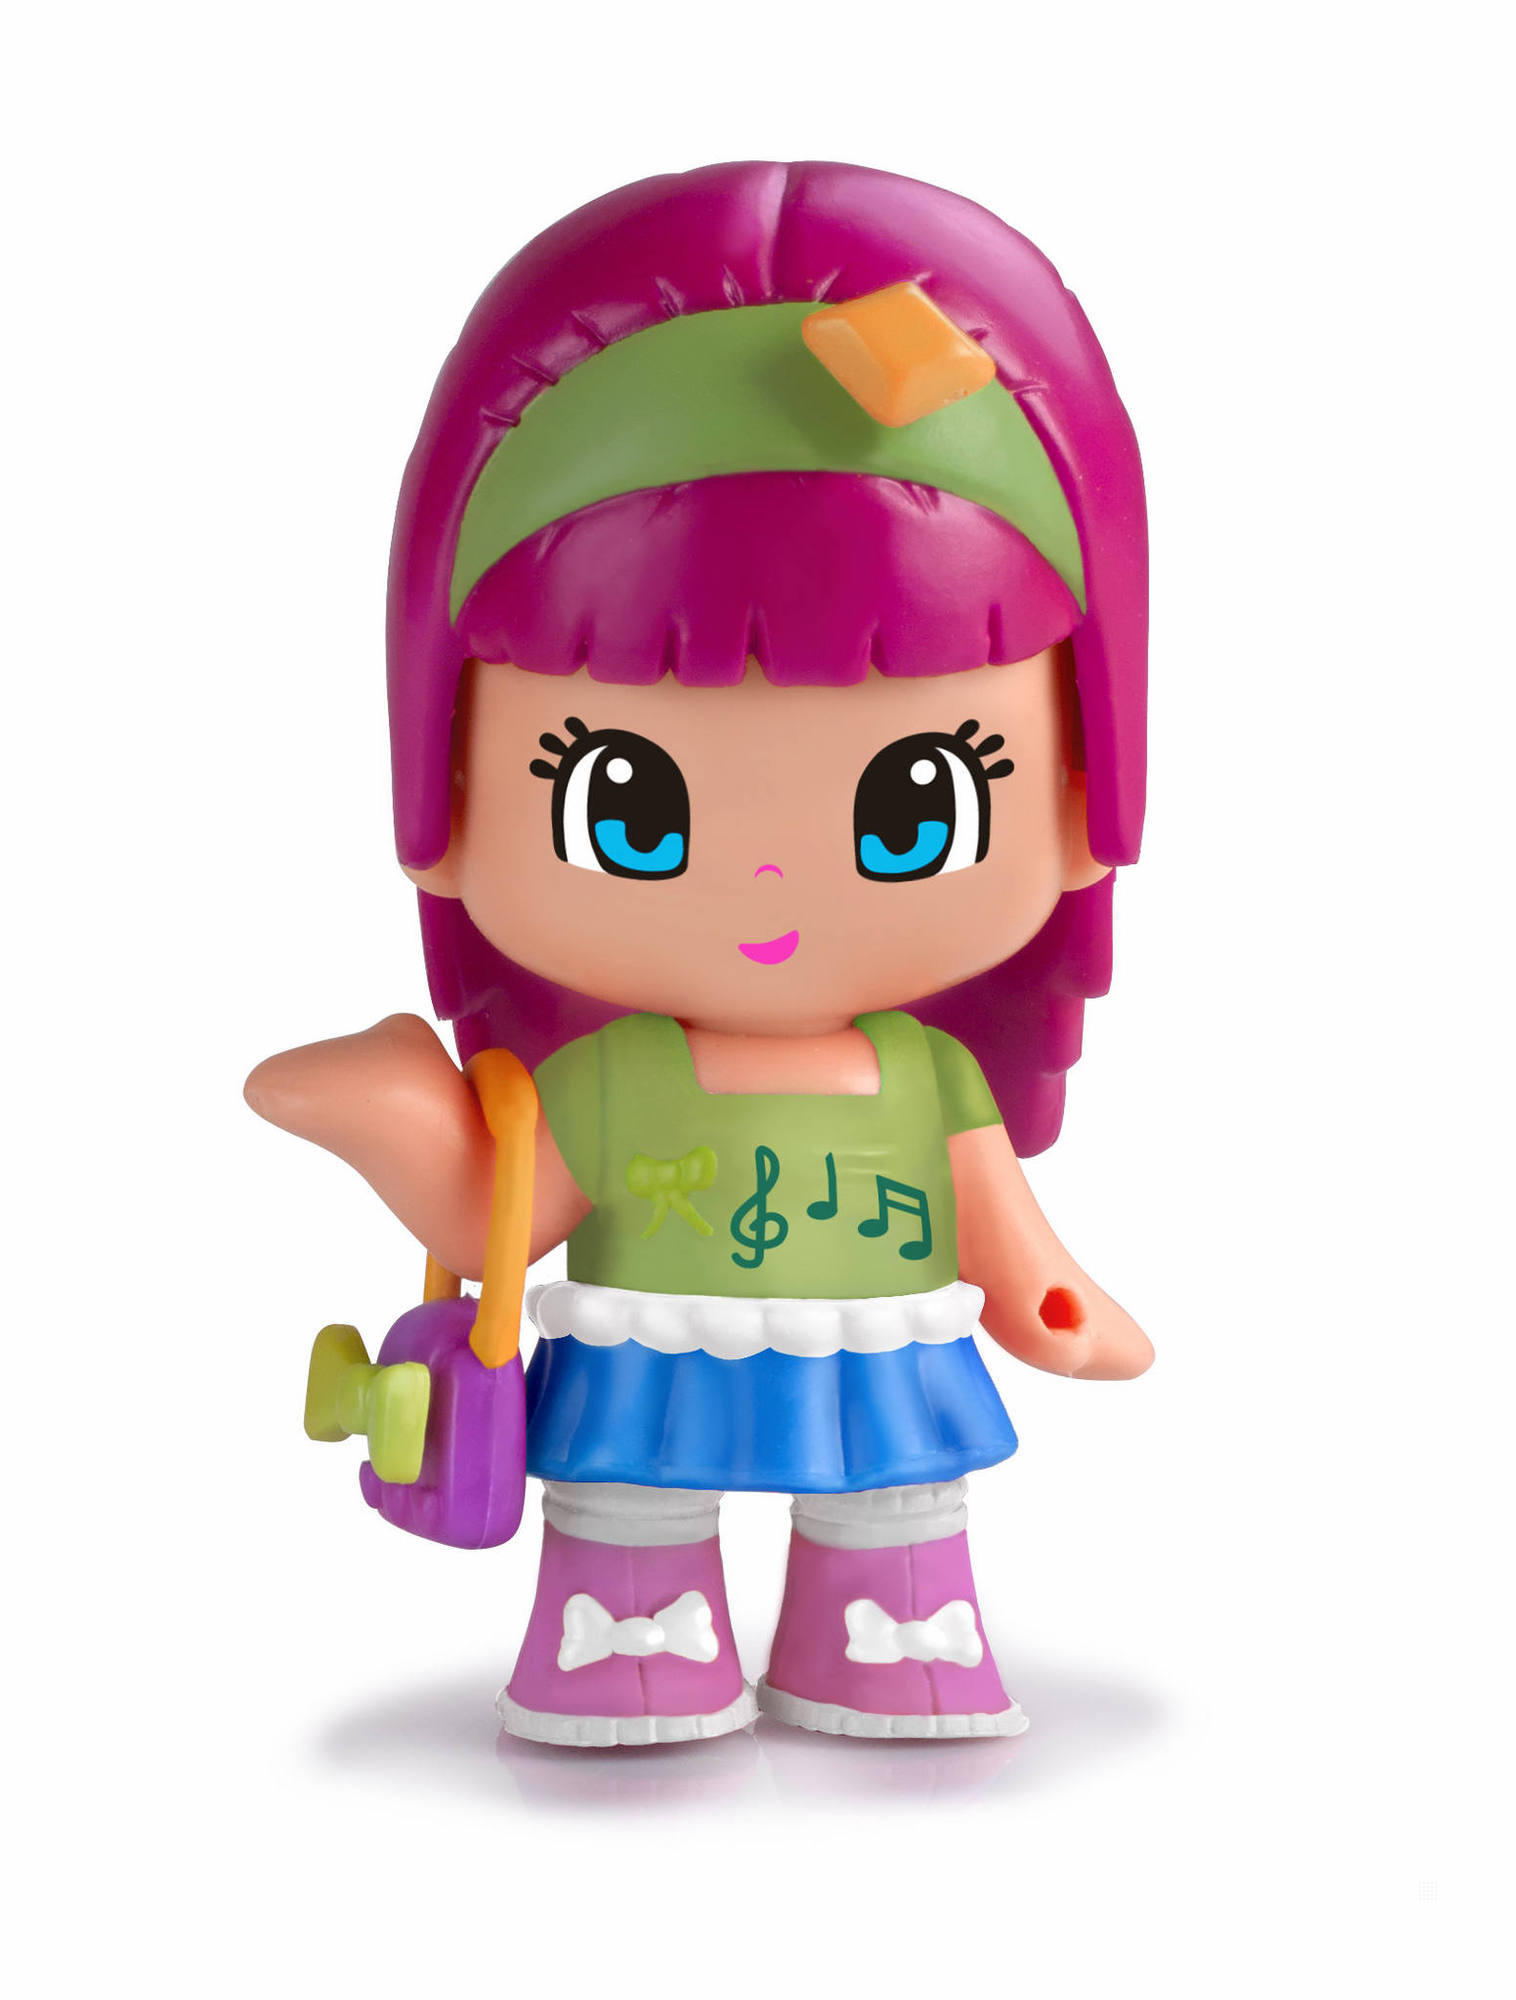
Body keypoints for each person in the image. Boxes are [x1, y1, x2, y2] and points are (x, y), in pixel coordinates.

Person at [247, 160, 1154, 1747]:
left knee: (895, 1512)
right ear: (444, 801)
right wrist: (395, 1117)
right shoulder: (614, 1081)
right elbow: (504, 1216)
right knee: (626, 1509)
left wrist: (1049, 1293)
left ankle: (885, 1640)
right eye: (627, 807)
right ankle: (624, 1644)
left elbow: (1005, 1234)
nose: (765, 883)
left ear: (1085, 802)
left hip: (875, 1358)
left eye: (912, 806)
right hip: (646, 1364)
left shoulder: (922, 1079)